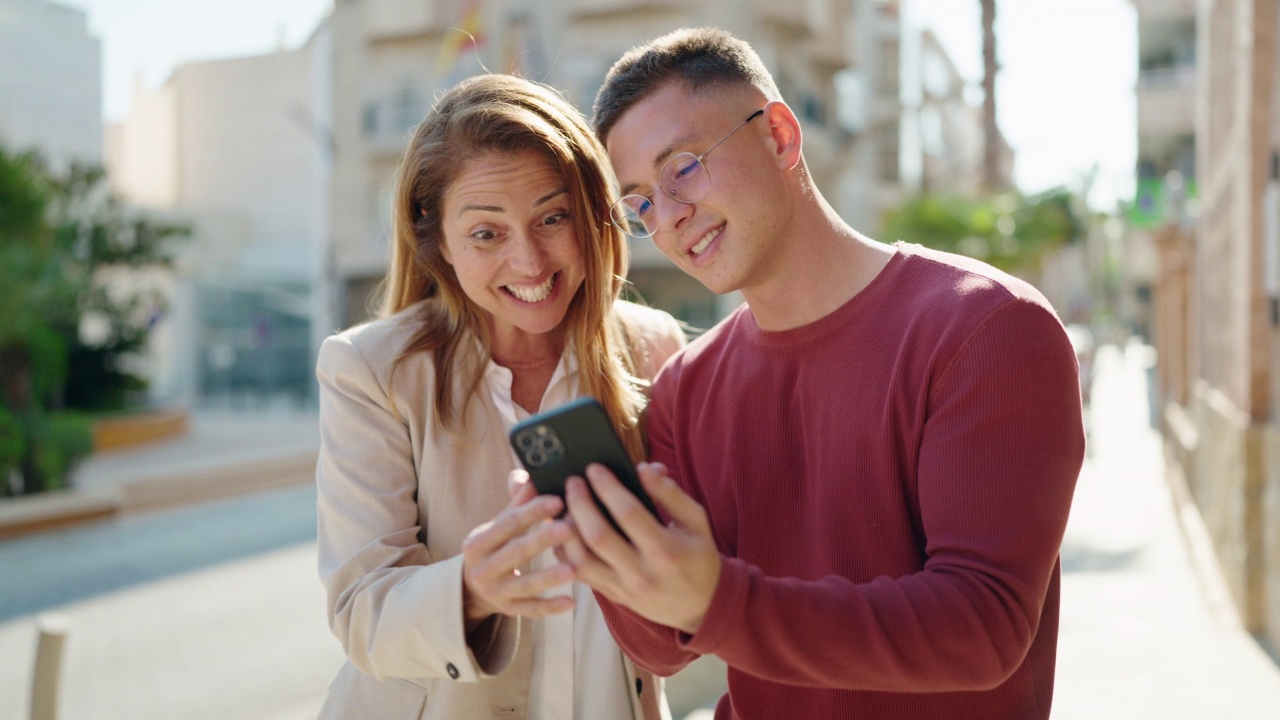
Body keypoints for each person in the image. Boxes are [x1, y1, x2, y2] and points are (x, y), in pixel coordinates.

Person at [547, 27, 1087, 720]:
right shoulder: (686, 389)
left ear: (778, 134)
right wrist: (610, 555)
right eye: (641, 203)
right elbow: (663, 648)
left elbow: (982, 630)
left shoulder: (987, 330)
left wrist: (720, 600)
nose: (671, 217)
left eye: (682, 167)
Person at [314, 73, 685, 719]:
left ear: (594, 215)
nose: (530, 262)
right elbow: (360, 613)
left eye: (552, 217)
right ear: (438, 242)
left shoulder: (654, 347)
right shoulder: (370, 370)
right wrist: (469, 589)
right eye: (487, 233)